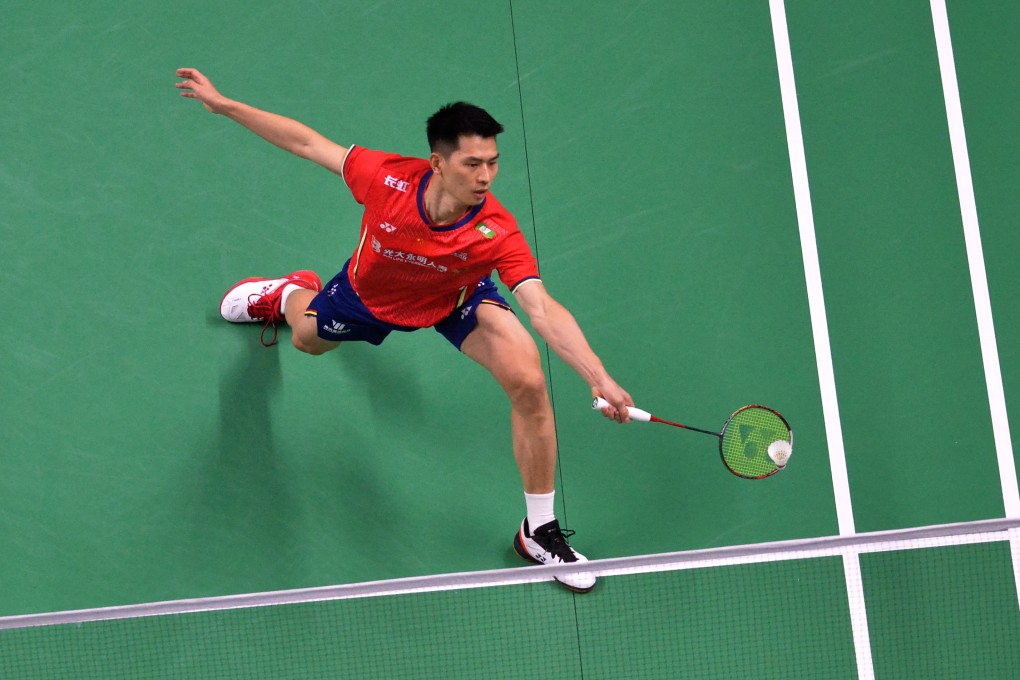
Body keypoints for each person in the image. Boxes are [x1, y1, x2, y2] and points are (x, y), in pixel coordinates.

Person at [176, 67, 634, 592]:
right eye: (472, 164)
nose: (485, 177)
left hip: (454, 297)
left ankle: (539, 530)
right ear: (438, 163)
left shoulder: (495, 231)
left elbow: (543, 308)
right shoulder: (386, 178)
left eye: (493, 163)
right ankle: (285, 293)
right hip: (369, 297)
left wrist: (597, 376)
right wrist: (226, 105)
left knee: (528, 383)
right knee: (307, 341)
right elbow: (306, 143)